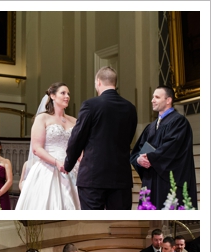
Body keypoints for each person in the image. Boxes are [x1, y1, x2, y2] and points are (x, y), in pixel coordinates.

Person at [64, 66, 138, 210]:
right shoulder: (130, 108)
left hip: (93, 177)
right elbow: (128, 138)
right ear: (115, 83)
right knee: (120, 224)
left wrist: (68, 163)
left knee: (93, 225)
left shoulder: (90, 105)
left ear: (98, 82)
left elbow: (77, 138)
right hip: (121, 178)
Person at [15, 82, 81, 210]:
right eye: (63, 93)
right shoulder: (43, 118)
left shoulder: (74, 120)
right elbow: (37, 148)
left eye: (68, 94)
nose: (67, 96)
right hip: (49, 167)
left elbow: (79, 147)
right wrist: (57, 162)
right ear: (52, 96)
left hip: (73, 167)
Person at [130, 86, 197, 208]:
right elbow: (137, 152)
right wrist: (139, 160)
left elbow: (171, 149)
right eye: (152, 97)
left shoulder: (179, 122)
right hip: (150, 182)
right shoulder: (151, 127)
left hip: (168, 183)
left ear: (168, 100)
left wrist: (149, 157)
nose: (152, 100)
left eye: (157, 97)